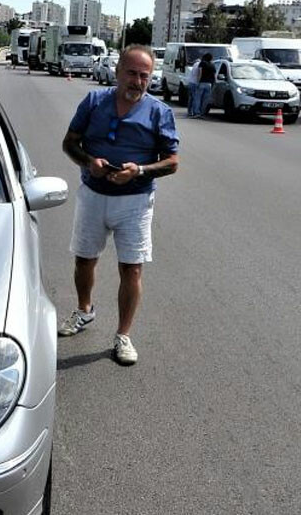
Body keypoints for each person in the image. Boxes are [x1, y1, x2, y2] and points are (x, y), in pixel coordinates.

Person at [59, 44, 180, 365]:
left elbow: (171, 162)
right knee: (84, 260)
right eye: (132, 73)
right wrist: (88, 162)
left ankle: (123, 335)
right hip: (93, 196)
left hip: (135, 202)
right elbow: (69, 143)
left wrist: (138, 171)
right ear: (116, 72)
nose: (138, 81)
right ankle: (84, 310)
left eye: (145, 75)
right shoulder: (94, 102)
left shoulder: (159, 112)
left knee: (132, 268)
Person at [192, 52, 216, 118]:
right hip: (209, 84)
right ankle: (203, 113)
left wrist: (198, 81)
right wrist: (213, 83)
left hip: (202, 82)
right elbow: (214, 76)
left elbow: (200, 73)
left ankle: (197, 113)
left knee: (198, 99)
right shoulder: (212, 65)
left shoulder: (202, 63)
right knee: (205, 100)